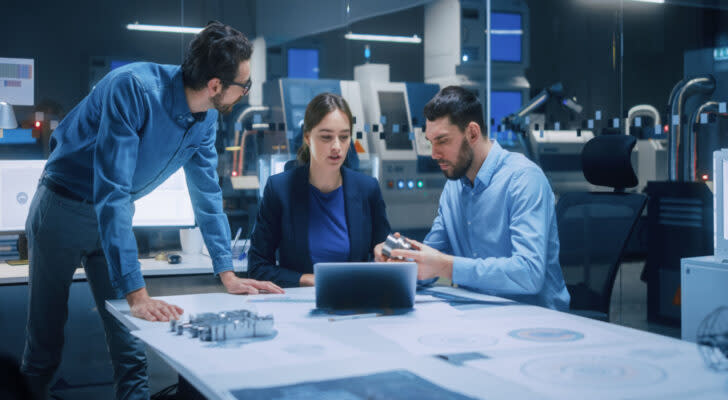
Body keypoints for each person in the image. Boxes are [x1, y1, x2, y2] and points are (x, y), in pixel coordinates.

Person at [21, 21, 282, 400]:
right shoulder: (133, 89)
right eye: (244, 84)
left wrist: (226, 272)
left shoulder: (206, 119)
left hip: (111, 222)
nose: (245, 92)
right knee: (44, 349)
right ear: (214, 86)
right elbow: (112, 191)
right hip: (62, 209)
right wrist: (137, 294)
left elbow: (207, 194)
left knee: (131, 351)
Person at [375, 86, 570, 311]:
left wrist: (446, 267)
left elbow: (528, 274)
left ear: (473, 133)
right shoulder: (453, 188)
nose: (434, 154)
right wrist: (398, 260)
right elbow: (430, 263)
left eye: (442, 141)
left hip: (536, 321)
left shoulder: (524, 180)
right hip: (480, 315)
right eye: (431, 142)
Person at [248, 93, 391, 287]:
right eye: (326, 137)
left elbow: (385, 258)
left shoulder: (368, 189)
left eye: (344, 137)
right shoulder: (279, 190)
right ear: (307, 137)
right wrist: (310, 280)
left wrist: (390, 253)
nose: (337, 147)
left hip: (355, 305)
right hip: (300, 306)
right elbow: (258, 267)